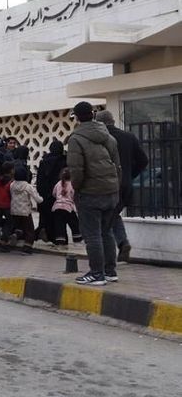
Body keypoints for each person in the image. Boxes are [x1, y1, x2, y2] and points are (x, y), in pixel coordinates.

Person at [67, 101, 121, 286]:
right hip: (111, 191)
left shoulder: (76, 139)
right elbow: (117, 164)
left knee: (92, 235)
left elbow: (76, 170)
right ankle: (110, 271)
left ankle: (97, 274)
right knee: (107, 233)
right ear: (93, 114)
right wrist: (115, 186)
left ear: (77, 117)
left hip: (90, 193)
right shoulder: (108, 136)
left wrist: (78, 188)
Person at [95, 110, 149, 262]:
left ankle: (108, 260)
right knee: (112, 214)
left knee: (104, 222)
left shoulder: (101, 139)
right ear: (112, 120)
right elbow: (143, 160)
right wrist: (130, 176)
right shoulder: (129, 137)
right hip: (125, 185)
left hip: (106, 185)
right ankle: (122, 243)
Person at [35, 140, 67, 243]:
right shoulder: (64, 162)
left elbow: (39, 179)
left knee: (45, 214)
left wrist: (40, 192)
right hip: (59, 193)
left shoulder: (44, 161)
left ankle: (45, 232)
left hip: (45, 193)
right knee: (59, 216)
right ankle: (58, 238)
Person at [10, 166, 43, 255]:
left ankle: (16, 235)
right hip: (25, 211)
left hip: (14, 210)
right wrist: (41, 200)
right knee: (29, 230)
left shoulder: (12, 185)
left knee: (19, 225)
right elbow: (36, 198)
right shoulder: (28, 186)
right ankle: (27, 248)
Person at [52, 167, 82, 245]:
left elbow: (54, 193)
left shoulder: (58, 183)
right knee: (74, 224)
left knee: (59, 225)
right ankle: (77, 238)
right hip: (69, 207)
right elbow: (74, 195)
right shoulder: (72, 184)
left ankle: (60, 240)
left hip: (57, 207)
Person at [0, 162, 15, 253]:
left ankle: (2, 239)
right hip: (8, 206)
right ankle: (4, 241)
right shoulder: (11, 182)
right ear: (11, 170)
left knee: (2, 222)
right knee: (9, 224)